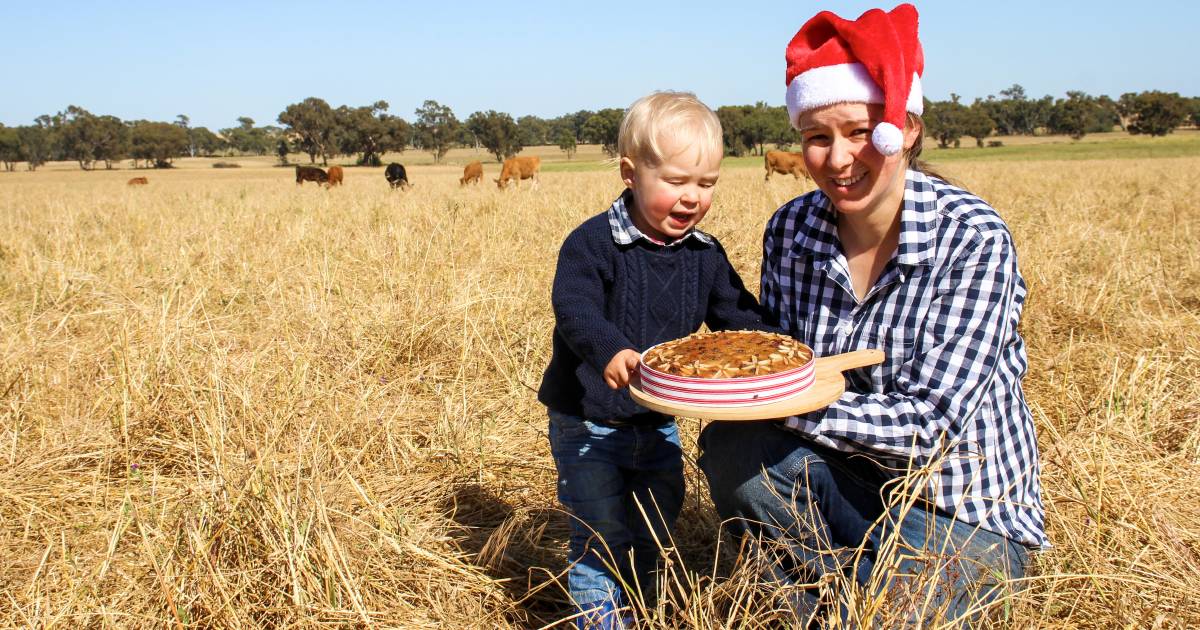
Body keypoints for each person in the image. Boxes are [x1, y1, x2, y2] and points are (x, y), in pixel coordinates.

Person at [697, 4, 1047, 625]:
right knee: (734, 446)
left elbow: (930, 430)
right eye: (817, 137)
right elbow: (785, 362)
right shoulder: (791, 229)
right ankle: (824, 596)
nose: (837, 160)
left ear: (905, 127)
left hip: (957, 509)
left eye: (860, 132)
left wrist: (782, 403)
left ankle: (854, 596)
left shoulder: (971, 238)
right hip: (841, 476)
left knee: (889, 616)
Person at [538, 91, 767, 629]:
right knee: (601, 535)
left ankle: (644, 613)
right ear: (629, 173)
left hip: (658, 423)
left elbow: (737, 316)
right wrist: (611, 350)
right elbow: (574, 309)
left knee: (653, 529)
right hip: (588, 421)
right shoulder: (592, 245)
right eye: (675, 182)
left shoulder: (705, 255)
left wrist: (776, 350)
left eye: (705, 184)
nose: (691, 198)